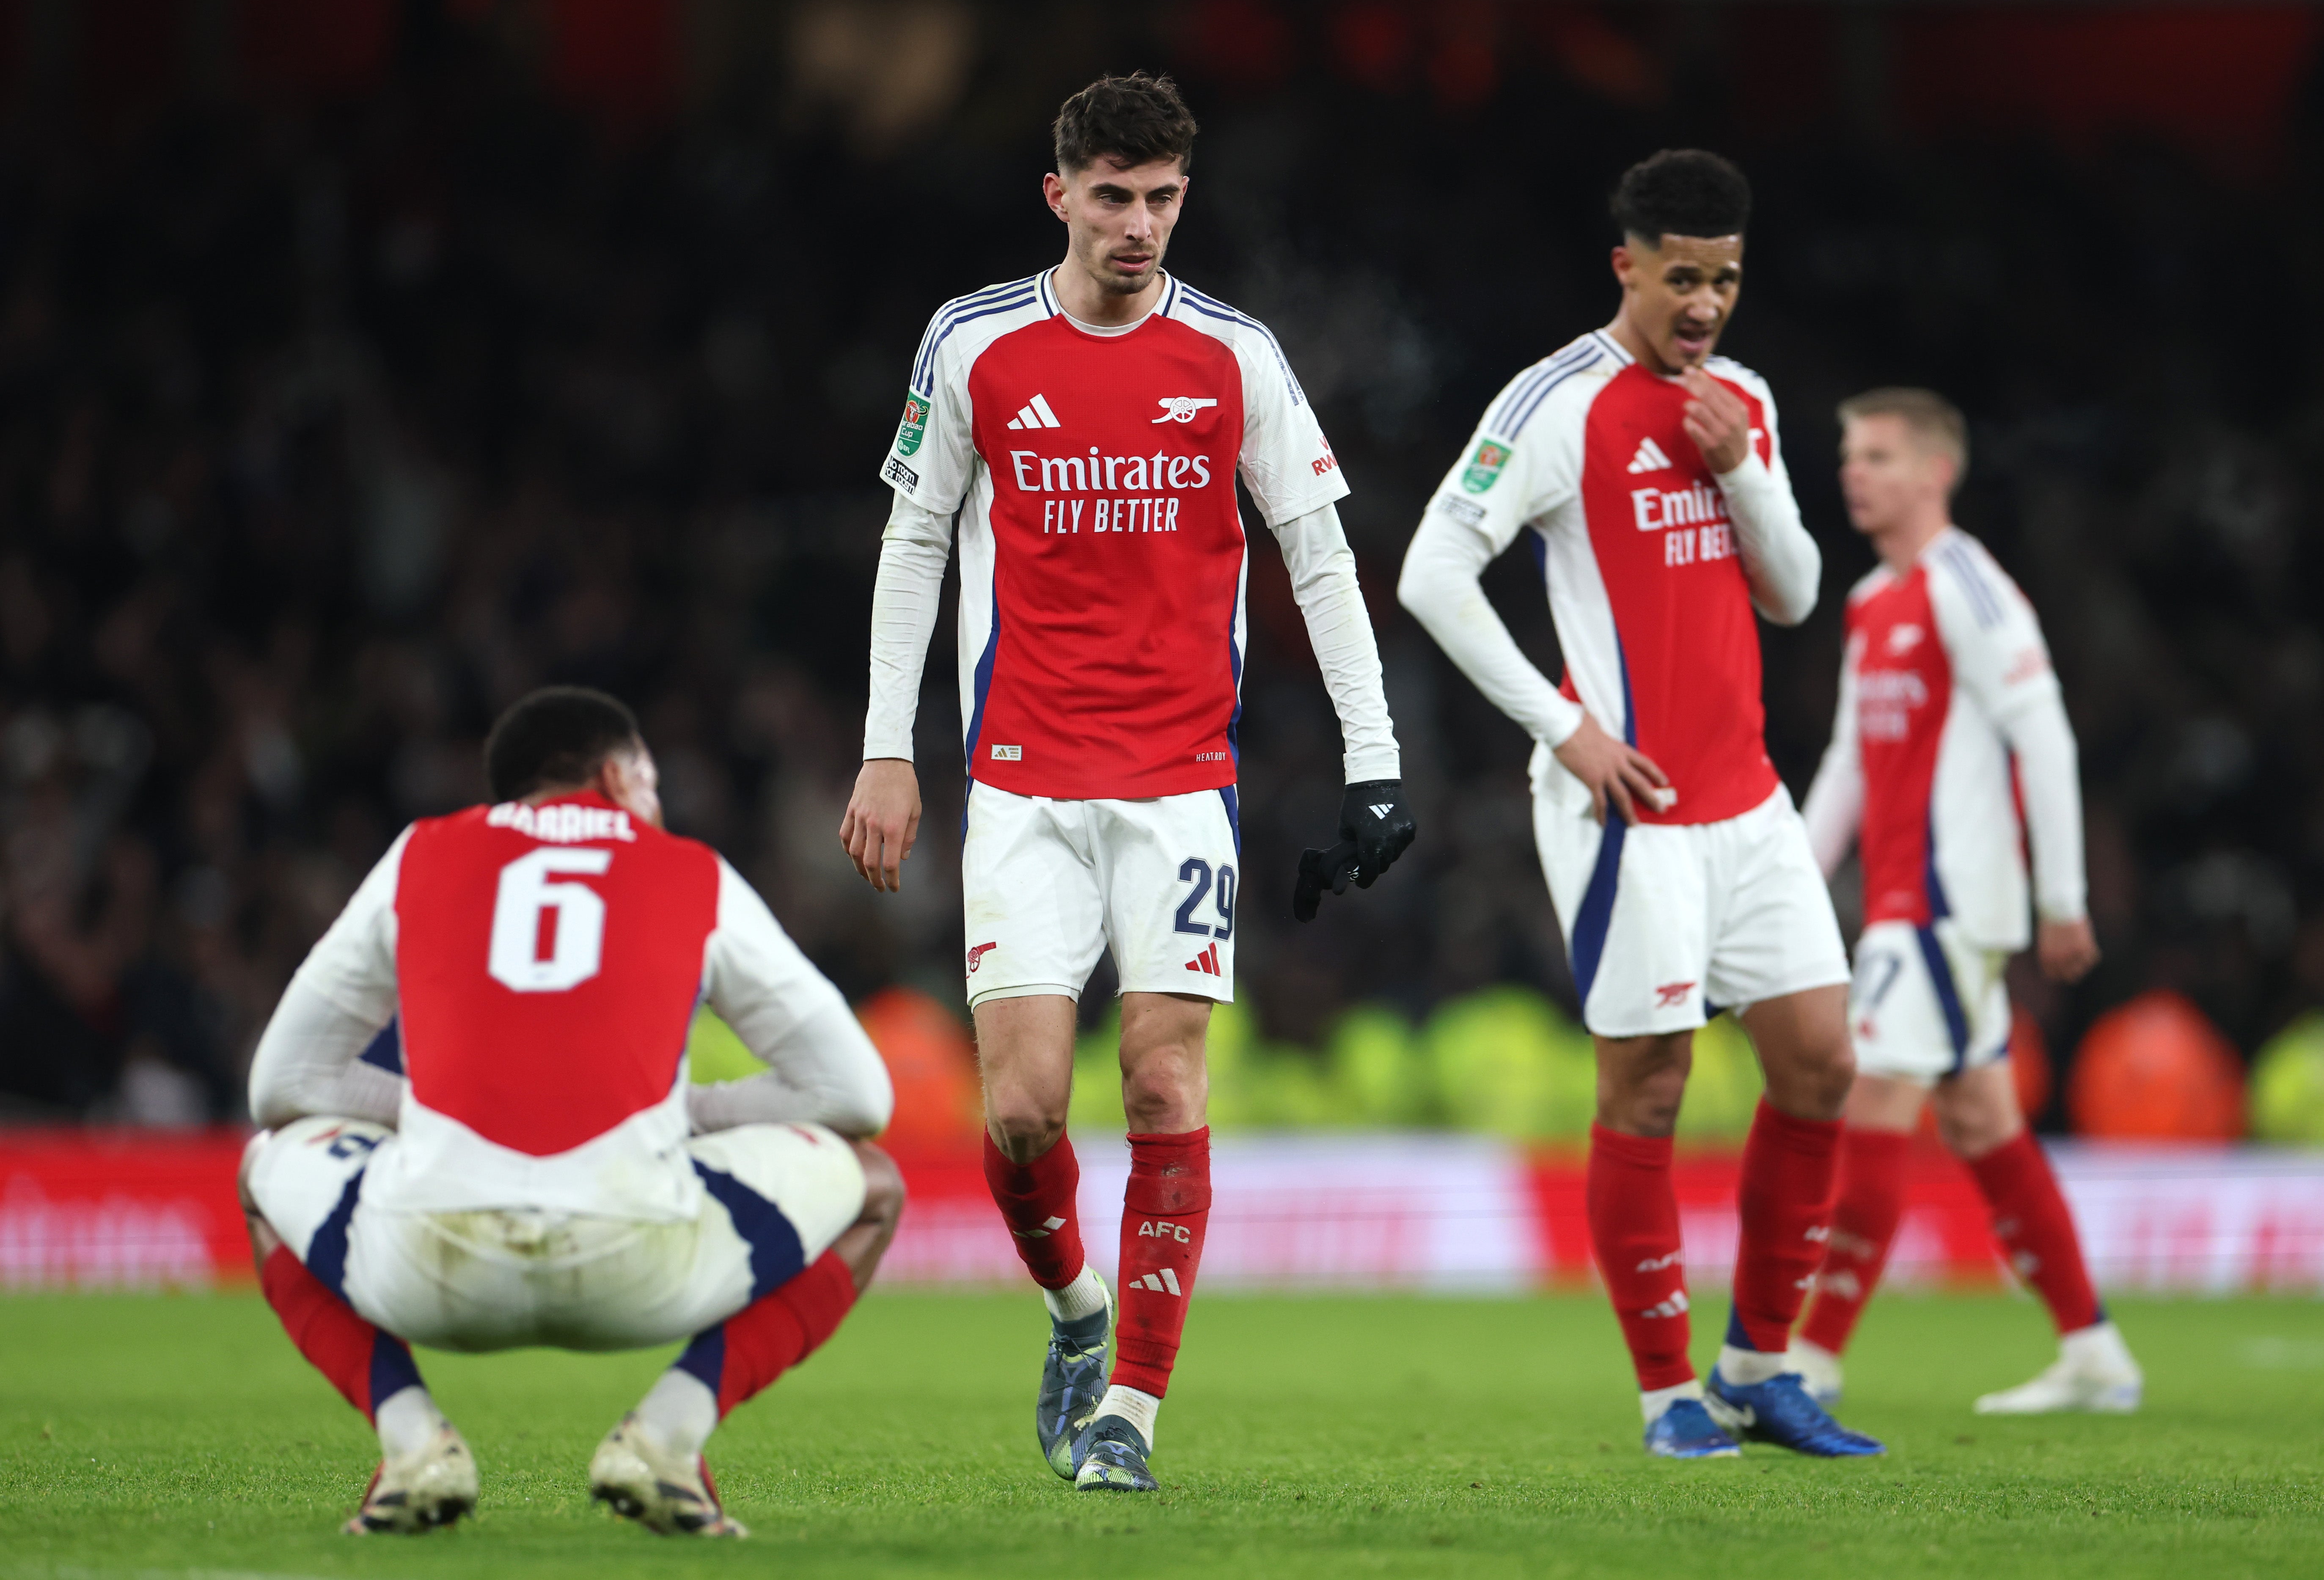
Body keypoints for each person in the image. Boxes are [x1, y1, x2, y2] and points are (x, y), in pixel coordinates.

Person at [838, 72, 1413, 1493]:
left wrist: (1375, 756)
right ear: (1059, 197)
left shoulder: (1235, 356)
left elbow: (1319, 556)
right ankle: (1076, 1313)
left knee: (1161, 1079)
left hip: (1176, 781)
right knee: (1023, 1111)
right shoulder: (974, 343)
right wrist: (886, 744)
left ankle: (1130, 1419)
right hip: (1024, 781)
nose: (1138, 225)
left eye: (1161, 198)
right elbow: (915, 544)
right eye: (1111, 196)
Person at [1397, 149, 1879, 1459]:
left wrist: (1743, 469)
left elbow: (1789, 594)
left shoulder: (1743, 401)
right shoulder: (1558, 403)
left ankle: (1755, 1367)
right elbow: (1431, 570)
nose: (1704, 305)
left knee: (1821, 1062)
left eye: (1723, 278)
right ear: (1625, 265)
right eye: (1680, 277)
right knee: (1649, 1083)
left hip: (1745, 795)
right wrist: (1564, 730)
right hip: (1628, 813)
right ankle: (1667, 1391)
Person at [240, 687, 903, 1537]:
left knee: (260, 1166)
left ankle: (413, 1443)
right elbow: (858, 1095)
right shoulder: (694, 871)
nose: (654, 808)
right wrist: (687, 1111)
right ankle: (667, 1434)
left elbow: (281, 1081)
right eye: (651, 783)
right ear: (616, 775)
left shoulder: (419, 854)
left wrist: (426, 1113)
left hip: (428, 1268)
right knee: (875, 1183)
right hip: (644, 1266)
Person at [1790, 389, 2141, 1413]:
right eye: (1851, 454)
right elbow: (1849, 761)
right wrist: (1794, 886)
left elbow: (2046, 736)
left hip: (1944, 907)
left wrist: (2061, 898)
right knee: (1984, 1123)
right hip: (1905, 903)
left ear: (1935, 473)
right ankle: (2092, 1348)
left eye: (1880, 455)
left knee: (1873, 1107)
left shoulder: (1970, 588)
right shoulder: (1868, 602)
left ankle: (1808, 1357)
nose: (1856, 471)